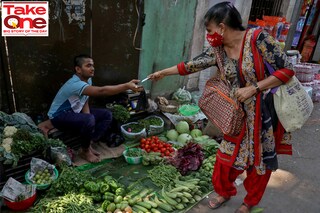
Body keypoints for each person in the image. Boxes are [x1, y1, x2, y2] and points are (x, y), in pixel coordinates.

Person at [148, 2, 294, 213]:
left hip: (263, 114)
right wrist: (163, 72)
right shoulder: (218, 50)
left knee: (258, 163)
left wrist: (254, 88)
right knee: (224, 159)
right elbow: (191, 65)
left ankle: (250, 202)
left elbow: (287, 70)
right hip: (236, 115)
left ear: (222, 27)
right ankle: (225, 191)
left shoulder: (258, 39)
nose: (208, 35)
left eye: (209, 30)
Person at [47, 54, 143, 163]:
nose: (92, 68)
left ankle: (88, 144)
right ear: (78, 69)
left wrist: (88, 117)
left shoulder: (87, 81)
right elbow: (102, 91)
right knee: (89, 119)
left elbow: (84, 100)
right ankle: (85, 151)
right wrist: (126, 86)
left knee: (106, 115)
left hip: (74, 110)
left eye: (93, 65)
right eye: (88, 66)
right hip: (59, 116)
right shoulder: (75, 84)